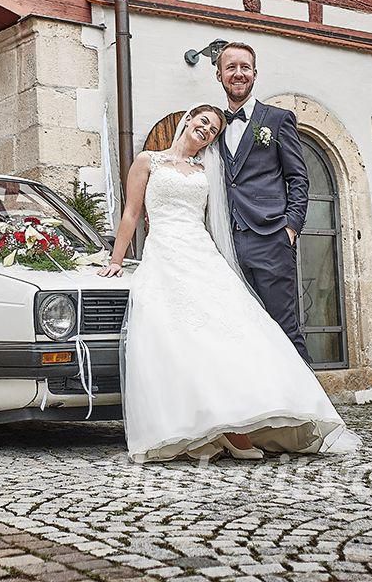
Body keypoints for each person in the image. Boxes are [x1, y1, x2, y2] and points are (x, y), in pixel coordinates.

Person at [99, 104, 358, 463]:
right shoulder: (148, 161)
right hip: (165, 255)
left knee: (228, 333)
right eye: (203, 122)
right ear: (188, 120)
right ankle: (204, 428)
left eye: (214, 131)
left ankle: (242, 422)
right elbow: (130, 213)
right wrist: (116, 260)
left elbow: (220, 215)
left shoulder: (207, 169)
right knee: (177, 339)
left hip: (201, 253)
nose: (206, 131)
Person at [215, 42, 311, 363]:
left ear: (255, 74)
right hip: (228, 244)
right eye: (231, 67)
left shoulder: (279, 119)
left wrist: (290, 228)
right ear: (219, 75)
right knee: (243, 330)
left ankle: (308, 408)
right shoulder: (214, 125)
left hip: (271, 239)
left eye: (245, 67)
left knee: (284, 327)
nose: (238, 73)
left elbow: (298, 178)